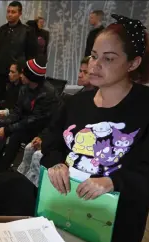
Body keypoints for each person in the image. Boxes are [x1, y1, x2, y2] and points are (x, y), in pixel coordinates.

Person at [42, 14, 149, 242]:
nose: (95, 65)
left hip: (117, 221)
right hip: (64, 208)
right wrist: (55, 164)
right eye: (94, 55)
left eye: (108, 58)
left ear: (133, 63)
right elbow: (51, 142)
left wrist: (113, 182)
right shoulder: (75, 103)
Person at [17, 57, 97, 186]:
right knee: (29, 148)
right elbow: (57, 124)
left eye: (85, 72)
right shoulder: (74, 98)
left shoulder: (90, 103)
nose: (79, 75)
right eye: (80, 71)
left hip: (74, 149)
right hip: (58, 140)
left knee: (38, 156)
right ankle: (22, 181)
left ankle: (34, 189)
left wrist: (48, 144)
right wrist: (42, 137)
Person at [0, 57, 57, 175]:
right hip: (26, 123)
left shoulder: (47, 93)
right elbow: (17, 111)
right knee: (2, 123)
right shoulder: (24, 88)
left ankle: (1, 170)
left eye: (24, 73)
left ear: (31, 76)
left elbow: (35, 119)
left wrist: (8, 130)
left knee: (15, 135)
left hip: (41, 128)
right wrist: (6, 123)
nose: (21, 76)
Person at [0, 1, 38, 102]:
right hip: (1, 72)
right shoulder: (2, 29)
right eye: (8, 11)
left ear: (20, 14)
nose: (10, 14)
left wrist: (27, 73)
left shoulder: (27, 31)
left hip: (18, 73)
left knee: (15, 102)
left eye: (13, 12)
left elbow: (31, 55)